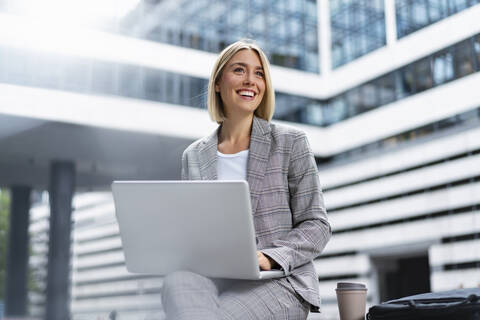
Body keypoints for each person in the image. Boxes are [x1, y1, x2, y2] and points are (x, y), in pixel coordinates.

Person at [161, 39, 331, 320]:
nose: (251, 80)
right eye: (239, 70)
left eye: (259, 73)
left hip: (279, 281)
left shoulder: (291, 143)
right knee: (176, 282)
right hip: (216, 278)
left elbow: (317, 225)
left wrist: (270, 257)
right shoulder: (193, 156)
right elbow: (192, 230)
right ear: (218, 83)